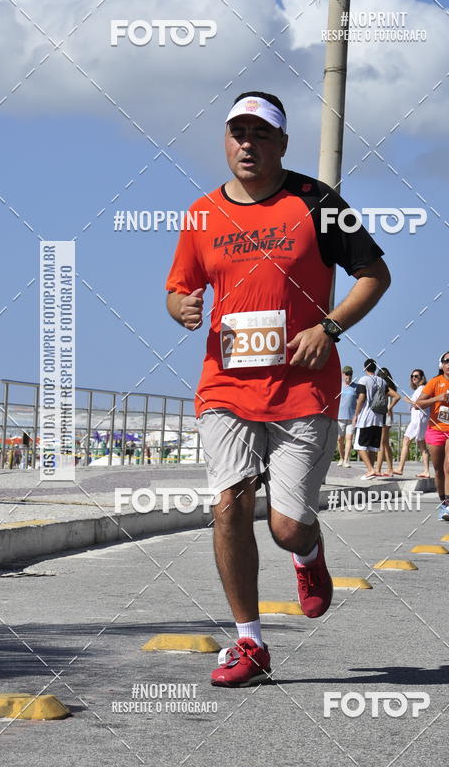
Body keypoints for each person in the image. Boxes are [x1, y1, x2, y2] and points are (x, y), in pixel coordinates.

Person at [165, 90, 390, 687]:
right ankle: (249, 642)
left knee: (287, 525)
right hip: (225, 387)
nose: (247, 144)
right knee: (229, 506)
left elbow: (375, 274)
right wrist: (181, 308)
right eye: (238, 133)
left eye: (260, 135)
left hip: (304, 389)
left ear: (282, 144)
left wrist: (329, 327)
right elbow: (178, 288)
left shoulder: (317, 202)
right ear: (225, 140)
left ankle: (308, 555)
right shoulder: (201, 213)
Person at [414, 351, 449, 521]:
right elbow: (417, 404)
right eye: (446, 361)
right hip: (436, 430)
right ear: (441, 364)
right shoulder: (435, 383)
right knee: (438, 470)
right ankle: (442, 502)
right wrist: (438, 398)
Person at [352, 359, 388, 479]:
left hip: (365, 418)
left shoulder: (363, 380)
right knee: (373, 447)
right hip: (378, 418)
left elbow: (361, 397)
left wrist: (356, 414)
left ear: (365, 368)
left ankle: (370, 470)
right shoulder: (382, 381)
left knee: (358, 446)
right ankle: (372, 471)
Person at [393, 368, 430, 477]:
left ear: (422, 378)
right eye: (412, 376)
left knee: (406, 441)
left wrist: (407, 400)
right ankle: (426, 470)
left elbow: (417, 404)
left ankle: (400, 468)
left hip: (417, 419)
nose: (414, 378)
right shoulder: (421, 389)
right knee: (422, 445)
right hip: (420, 419)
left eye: (416, 376)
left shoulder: (421, 389)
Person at [373, 367, 401, 477]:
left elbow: (397, 397)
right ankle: (390, 469)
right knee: (385, 444)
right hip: (387, 418)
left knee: (381, 444)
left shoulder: (386, 387)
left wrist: (389, 407)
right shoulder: (389, 386)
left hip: (385, 417)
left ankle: (378, 469)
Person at [336, 366, 358, 467]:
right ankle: (341, 457)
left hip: (351, 417)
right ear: (342, 374)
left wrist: (357, 415)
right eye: (346, 373)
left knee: (349, 438)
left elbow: (360, 401)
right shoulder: (338, 386)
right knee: (340, 439)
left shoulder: (356, 387)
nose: (348, 376)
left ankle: (346, 460)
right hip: (340, 417)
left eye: (349, 373)